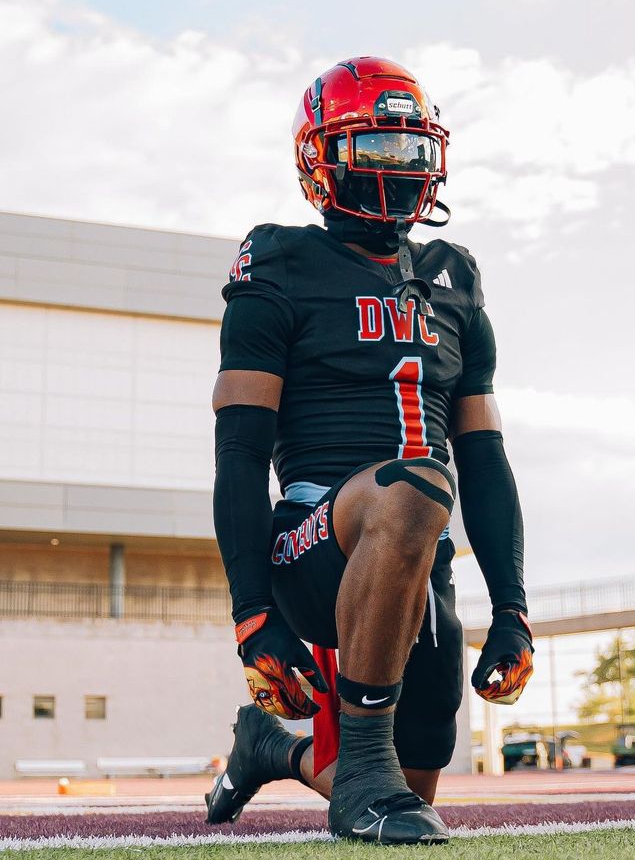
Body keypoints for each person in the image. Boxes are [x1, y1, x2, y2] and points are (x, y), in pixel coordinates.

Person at [204, 56, 533, 845]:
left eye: (408, 149)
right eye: (374, 147)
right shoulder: (278, 258)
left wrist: (512, 605)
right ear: (322, 156)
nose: (395, 167)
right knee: (418, 482)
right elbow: (240, 450)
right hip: (316, 540)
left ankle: (271, 748)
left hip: (420, 557)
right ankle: (355, 761)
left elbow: (483, 457)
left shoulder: (454, 278)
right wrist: (253, 613)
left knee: (410, 782)